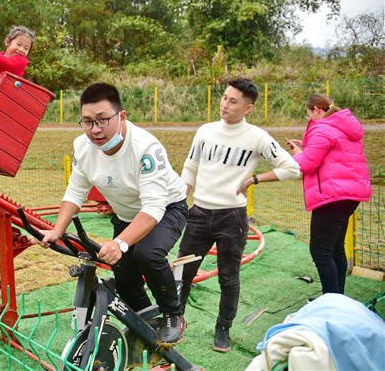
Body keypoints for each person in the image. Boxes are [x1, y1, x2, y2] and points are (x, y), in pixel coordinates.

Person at [40, 82, 189, 346]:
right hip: (126, 214)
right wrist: (56, 230)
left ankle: (172, 314)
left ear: (121, 116)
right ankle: (145, 319)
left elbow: (154, 207)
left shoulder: (145, 148)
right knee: (123, 275)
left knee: (148, 254)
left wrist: (121, 242)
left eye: (102, 120)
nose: (95, 130)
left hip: (166, 209)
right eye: (87, 122)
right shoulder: (83, 147)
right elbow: (75, 192)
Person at [177, 78, 301, 353]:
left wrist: (254, 179)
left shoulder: (256, 137)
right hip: (198, 214)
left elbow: (292, 168)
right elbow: (190, 167)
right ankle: (173, 321)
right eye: (224, 98)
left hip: (231, 218)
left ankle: (223, 329)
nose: (225, 104)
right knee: (182, 272)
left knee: (229, 278)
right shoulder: (205, 131)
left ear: (248, 107)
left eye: (233, 101)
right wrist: (180, 202)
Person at [286, 94, 371, 296]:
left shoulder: (321, 129)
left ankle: (330, 302)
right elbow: (333, 154)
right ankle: (337, 297)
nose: (309, 119)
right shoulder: (341, 126)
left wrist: (298, 153)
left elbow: (306, 165)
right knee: (335, 248)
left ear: (316, 110)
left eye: (309, 114)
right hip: (350, 195)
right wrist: (306, 148)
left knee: (321, 251)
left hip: (332, 197)